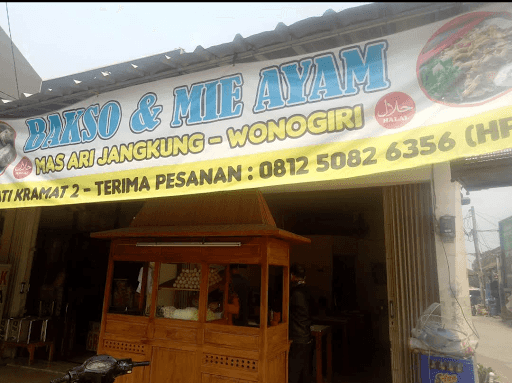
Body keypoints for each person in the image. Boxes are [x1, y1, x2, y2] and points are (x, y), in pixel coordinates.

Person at [288, 263, 312, 383]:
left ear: (292, 276)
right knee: (304, 375)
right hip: (307, 336)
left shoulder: (293, 292)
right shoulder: (309, 291)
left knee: (292, 375)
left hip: (296, 338)